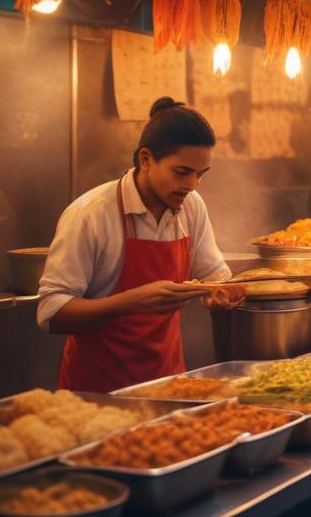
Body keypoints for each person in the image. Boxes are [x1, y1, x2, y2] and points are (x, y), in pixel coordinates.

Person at [38, 97, 244, 392]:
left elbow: (214, 276)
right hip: (98, 392)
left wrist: (218, 295)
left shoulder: (191, 206)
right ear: (146, 159)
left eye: (201, 175)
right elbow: (50, 313)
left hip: (170, 386)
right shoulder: (91, 213)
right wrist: (132, 301)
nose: (193, 186)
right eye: (182, 172)